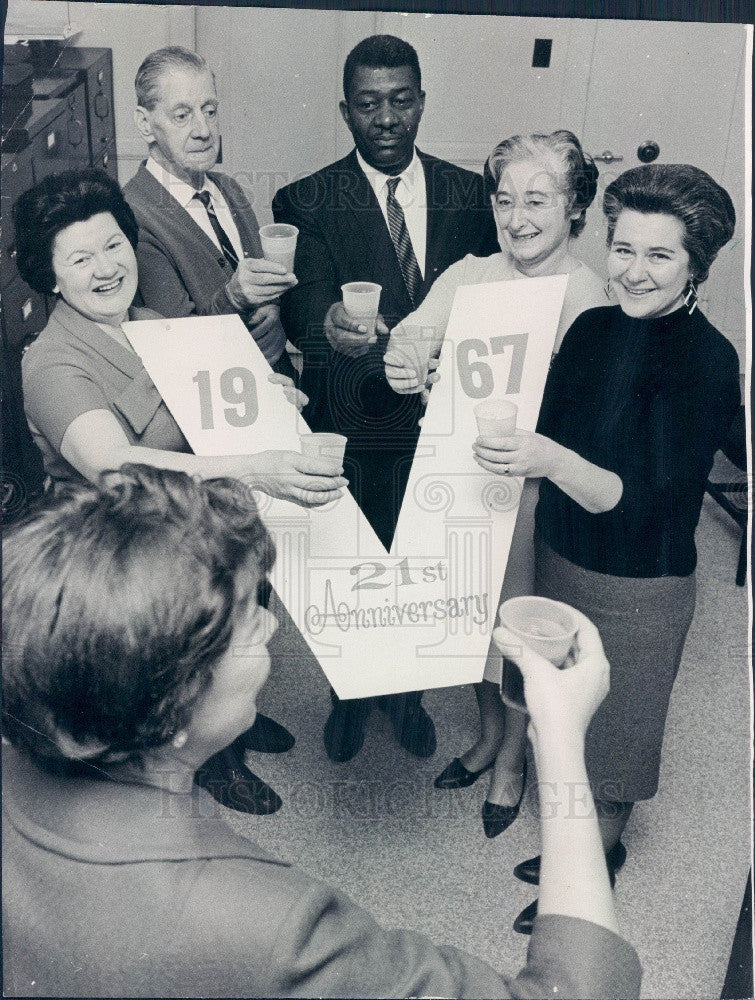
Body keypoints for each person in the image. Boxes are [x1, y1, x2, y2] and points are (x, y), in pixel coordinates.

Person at [1, 464, 643, 998]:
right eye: (247, 624)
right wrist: (559, 739)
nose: (272, 627)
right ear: (167, 709)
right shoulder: (267, 925)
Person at [14, 167, 348, 817]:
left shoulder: (149, 320)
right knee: (185, 661)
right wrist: (259, 463)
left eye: (113, 245)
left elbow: (200, 400)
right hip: (123, 552)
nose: (105, 267)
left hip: (188, 521)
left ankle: (236, 731)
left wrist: (260, 393)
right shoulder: (52, 360)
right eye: (80, 258)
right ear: (50, 276)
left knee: (227, 633)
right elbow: (113, 465)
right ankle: (214, 764)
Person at [469, 163, 740, 933]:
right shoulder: (591, 327)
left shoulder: (708, 362)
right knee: (561, 719)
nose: (632, 271)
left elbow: (643, 501)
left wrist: (548, 460)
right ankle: (573, 848)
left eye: (659, 256)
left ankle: (591, 869)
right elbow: (547, 420)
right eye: (622, 249)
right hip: (561, 556)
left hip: (638, 584)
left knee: (614, 743)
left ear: (696, 264)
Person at [273, 34, 499, 763]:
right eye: (369, 104)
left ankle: (407, 700)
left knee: (425, 566)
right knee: (355, 569)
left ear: (421, 102)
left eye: (401, 100)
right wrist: (333, 329)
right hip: (351, 417)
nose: (387, 118)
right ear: (346, 112)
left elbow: (491, 297)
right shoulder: (306, 198)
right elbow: (304, 310)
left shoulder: (471, 194)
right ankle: (348, 697)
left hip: (440, 420)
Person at [385, 130, 605, 839]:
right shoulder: (469, 275)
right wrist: (404, 361)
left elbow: (598, 421)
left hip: (535, 497)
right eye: (504, 199)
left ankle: (510, 761)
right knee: (472, 624)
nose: (517, 218)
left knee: (519, 634)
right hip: (463, 481)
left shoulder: (588, 297)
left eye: (537, 200)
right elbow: (412, 336)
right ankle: (485, 737)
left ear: (574, 208)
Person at [123, 47, 299, 381]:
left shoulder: (228, 189)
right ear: (145, 124)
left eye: (210, 110)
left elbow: (264, 289)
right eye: (182, 115)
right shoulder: (133, 215)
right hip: (212, 403)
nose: (204, 130)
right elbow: (177, 342)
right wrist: (234, 296)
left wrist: (272, 308)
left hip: (277, 388)